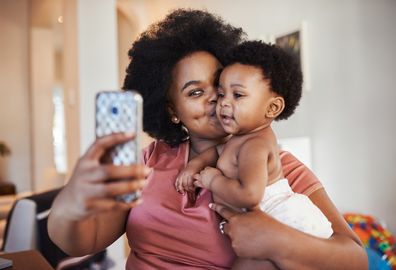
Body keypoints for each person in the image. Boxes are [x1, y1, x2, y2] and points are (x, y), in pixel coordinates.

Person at [48, 8, 368, 269]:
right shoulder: (150, 160)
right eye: (196, 92)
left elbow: (355, 259)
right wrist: (74, 200)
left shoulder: (275, 166)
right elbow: (83, 241)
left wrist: (276, 239)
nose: (217, 98)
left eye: (220, 83)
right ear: (172, 109)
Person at [175, 40, 333, 269]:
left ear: (272, 108)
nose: (223, 103)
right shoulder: (242, 138)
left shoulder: (255, 145)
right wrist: (193, 166)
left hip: (282, 221)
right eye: (222, 94)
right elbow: (216, 152)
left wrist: (213, 180)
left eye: (237, 95)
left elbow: (249, 195)